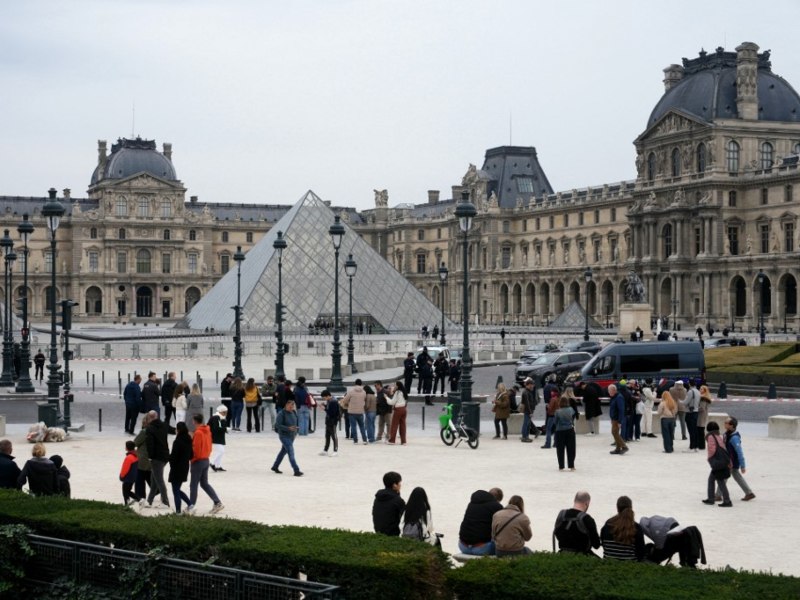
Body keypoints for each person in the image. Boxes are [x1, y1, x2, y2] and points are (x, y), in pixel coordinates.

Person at [187, 413, 224, 515]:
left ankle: (191, 506)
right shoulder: (207, 430)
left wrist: (192, 459)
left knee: (193, 485)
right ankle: (217, 502)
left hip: (198, 461)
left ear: (194, 421)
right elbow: (209, 445)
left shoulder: (198, 432)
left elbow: (196, 448)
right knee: (204, 483)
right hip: (205, 459)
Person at [458, 488, 504, 555]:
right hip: (482, 548)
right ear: (498, 500)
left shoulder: (471, 504)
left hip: (463, 546)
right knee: (506, 548)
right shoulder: (497, 507)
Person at [553, 490, 601, 555]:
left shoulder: (561, 514)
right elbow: (596, 545)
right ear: (587, 503)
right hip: (582, 556)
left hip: (562, 553)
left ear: (574, 500)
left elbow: (556, 532)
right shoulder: (587, 519)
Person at [600, 496, 645, 560]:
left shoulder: (608, 524)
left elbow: (604, 544)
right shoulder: (636, 528)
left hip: (608, 562)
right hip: (630, 566)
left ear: (617, 508)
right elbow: (641, 554)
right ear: (631, 507)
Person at [723, 416, 755, 501]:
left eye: (726, 423)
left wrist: (743, 465)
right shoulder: (726, 434)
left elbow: (739, 452)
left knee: (723, 477)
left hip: (732, 462)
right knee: (736, 476)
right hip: (728, 460)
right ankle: (749, 493)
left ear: (732, 425)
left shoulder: (734, 438)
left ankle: (718, 495)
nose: (724, 424)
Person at [145, 410, 171, 508]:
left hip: (156, 457)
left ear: (149, 417)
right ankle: (149, 501)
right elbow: (172, 430)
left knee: (159, 480)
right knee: (154, 479)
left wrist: (150, 457)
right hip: (165, 455)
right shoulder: (164, 425)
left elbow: (150, 444)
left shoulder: (150, 429)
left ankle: (165, 501)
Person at [703, 421, 732, 507]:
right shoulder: (718, 436)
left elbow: (712, 449)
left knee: (720, 481)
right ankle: (711, 498)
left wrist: (710, 459)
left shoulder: (711, 437)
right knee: (712, 479)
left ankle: (727, 501)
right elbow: (724, 448)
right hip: (722, 461)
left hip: (717, 463)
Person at [271, 399, 303, 476]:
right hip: (284, 436)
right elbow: (278, 425)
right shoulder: (281, 413)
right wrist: (288, 428)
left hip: (292, 436)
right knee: (291, 452)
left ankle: (275, 466)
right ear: (286, 406)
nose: (291, 408)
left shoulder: (294, 412)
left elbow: (295, 423)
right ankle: (296, 470)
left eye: (292, 407)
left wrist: (296, 429)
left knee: (283, 452)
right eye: (289, 406)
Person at [168, 421, 193, 514]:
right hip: (185, 467)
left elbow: (174, 457)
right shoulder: (189, 440)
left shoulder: (177, 441)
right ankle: (190, 504)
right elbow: (191, 455)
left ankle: (178, 511)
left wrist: (169, 459)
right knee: (177, 489)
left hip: (176, 468)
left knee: (175, 491)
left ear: (177, 430)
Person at [372, 471, 405, 536]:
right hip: (393, 535)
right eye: (399, 483)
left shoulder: (378, 498)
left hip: (378, 532)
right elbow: (405, 517)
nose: (400, 485)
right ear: (394, 485)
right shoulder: (398, 500)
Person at [133, 413, 153, 501]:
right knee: (149, 475)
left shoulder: (144, 432)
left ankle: (140, 495)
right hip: (151, 457)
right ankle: (157, 490)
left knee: (140, 477)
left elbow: (135, 442)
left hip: (143, 457)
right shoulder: (155, 430)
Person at [342, 379, 368, 444]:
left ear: (355, 384)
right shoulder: (364, 392)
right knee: (362, 426)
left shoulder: (351, 391)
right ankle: (364, 440)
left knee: (353, 426)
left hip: (352, 411)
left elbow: (345, 400)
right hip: (360, 411)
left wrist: (349, 403)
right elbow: (365, 400)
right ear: (361, 384)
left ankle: (355, 440)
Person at [554, 396, 577, 470]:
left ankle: (561, 466)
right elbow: (573, 417)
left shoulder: (557, 411)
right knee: (571, 448)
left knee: (560, 449)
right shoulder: (571, 409)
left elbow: (555, 422)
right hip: (570, 430)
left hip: (560, 431)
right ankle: (571, 465)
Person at [608, 384, 628, 455]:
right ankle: (618, 448)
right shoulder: (614, 397)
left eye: (609, 390)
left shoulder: (619, 397)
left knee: (614, 432)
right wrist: (612, 418)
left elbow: (621, 410)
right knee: (615, 432)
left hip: (617, 419)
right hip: (614, 418)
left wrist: (620, 421)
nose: (608, 392)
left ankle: (624, 447)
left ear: (614, 390)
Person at [319, 389, 339, 456]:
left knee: (334, 436)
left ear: (327, 396)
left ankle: (335, 450)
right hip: (328, 421)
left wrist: (324, 409)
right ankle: (325, 450)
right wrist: (325, 406)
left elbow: (331, 413)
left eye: (324, 397)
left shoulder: (333, 401)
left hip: (332, 421)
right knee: (327, 436)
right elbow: (329, 409)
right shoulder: (329, 401)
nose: (324, 399)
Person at [119, 440, 139, 505]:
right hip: (133, 477)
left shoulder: (129, 458)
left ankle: (138, 500)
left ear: (127, 448)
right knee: (127, 491)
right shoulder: (136, 456)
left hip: (128, 478)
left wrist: (122, 476)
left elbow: (125, 468)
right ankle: (132, 501)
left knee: (125, 491)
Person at [683, 379, 701, 452]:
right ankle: (696, 446)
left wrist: (680, 401)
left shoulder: (690, 391)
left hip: (690, 412)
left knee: (691, 431)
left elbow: (686, 402)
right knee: (695, 430)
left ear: (689, 384)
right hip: (696, 412)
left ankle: (691, 447)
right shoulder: (698, 391)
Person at [209, 405, 228, 472]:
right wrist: (225, 429)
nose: (226, 413)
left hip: (219, 437)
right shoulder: (216, 418)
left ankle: (218, 465)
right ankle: (211, 462)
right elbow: (216, 428)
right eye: (224, 412)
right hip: (215, 437)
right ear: (221, 412)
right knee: (220, 451)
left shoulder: (221, 417)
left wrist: (225, 429)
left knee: (221, 451)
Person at [519, 377, 537, 443]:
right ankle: (524, 437)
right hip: (528, 411)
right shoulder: (526, 392)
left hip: (529, 410)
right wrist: (530, 412)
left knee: (528, 424)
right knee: (526, 424)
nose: (533, 386)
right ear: (529, 385)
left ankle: (526, 436)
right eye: (532, 384)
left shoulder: (528, 391)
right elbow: (527, 403)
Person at [697, 383, 712, 450]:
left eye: (701, 389)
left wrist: (695, 409)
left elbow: (702, 408)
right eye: (700, 388)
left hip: (701, 415)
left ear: (705, 390)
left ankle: (701, 445)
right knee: (701, 430)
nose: (700, 390)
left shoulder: (703, 398)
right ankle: (701, 445)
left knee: (700, 430)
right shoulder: (706, 397)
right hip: (704, 415)